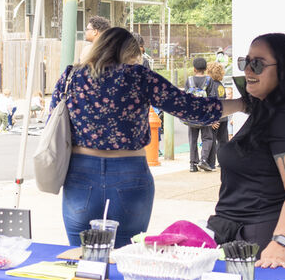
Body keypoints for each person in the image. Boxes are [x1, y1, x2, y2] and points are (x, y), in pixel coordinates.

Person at [51, 28, 237, 248]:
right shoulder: (139, 76)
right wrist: (243, 104)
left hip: (80, 174)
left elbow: (53, 122)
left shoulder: (71, 76)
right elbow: (190, 108)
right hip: (130, 172)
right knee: (126, 255)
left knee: (81, 255)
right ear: (131, 53)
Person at [207, 33, 285, 269]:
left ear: (284, 70)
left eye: (258, 64)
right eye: (246, 62)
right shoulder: (265, 109)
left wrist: (280, 244)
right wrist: (245, 103)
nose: (249, 71)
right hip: (248, 233)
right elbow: (199, 112)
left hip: (271, 239)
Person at [198, 61, 229, 171]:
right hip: (224, 116)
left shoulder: (211, 86)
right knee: (223, 141)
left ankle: (210, 163)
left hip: (215, 118)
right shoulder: (221, 86)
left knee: (211, 139)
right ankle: (223, 161)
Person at [186, 57, 213, 172]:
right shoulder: (209, 80)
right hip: (205, 115)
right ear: (206, 68)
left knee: (193, 139)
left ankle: (193, 164)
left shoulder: (189, 80)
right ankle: (203, 160)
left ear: (194, 69)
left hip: (192, 116)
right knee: (207, 137)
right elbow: (212, 98)